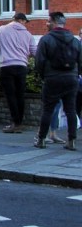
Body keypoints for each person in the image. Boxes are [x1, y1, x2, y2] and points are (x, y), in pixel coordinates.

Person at [33, 12, 81, 150]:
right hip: (71, 78)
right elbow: (80, 61)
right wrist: (76, 74)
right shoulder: (75, 40)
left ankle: (41, 139)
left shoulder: (46, 39)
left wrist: (44, 76)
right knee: (71, 110)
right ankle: (71, 141)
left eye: (48, 21)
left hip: (52, 78)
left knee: (47, 109)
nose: (47, 24)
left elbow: (39, 62)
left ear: (54, 22)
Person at [0, 11, 37, 133]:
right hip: (22, 66)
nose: (25, 24)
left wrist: (3, 52)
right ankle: (19, 123)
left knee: (10, 95)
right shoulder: (28, 34)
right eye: (25, 22)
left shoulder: (1, 29)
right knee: (20, 95)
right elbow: (34, 52)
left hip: (6, 66)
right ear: (21, 20)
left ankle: (15, 123)